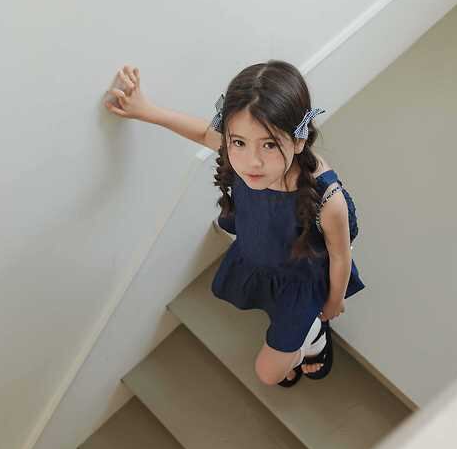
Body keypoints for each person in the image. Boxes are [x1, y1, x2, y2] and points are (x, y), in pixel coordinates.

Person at [104, 60, 365, 388]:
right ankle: (300, 334)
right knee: (269, 310)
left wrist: (333, 302)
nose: (251, 162)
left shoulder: (327, 200)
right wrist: (146, 111)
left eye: (269, 144)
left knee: (268, 374)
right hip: (259, 254)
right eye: (238, 142)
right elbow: (203, 133)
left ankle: (313, 339)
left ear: (299, 141)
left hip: (299, 279)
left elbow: (340, 256)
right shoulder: (238, 156)